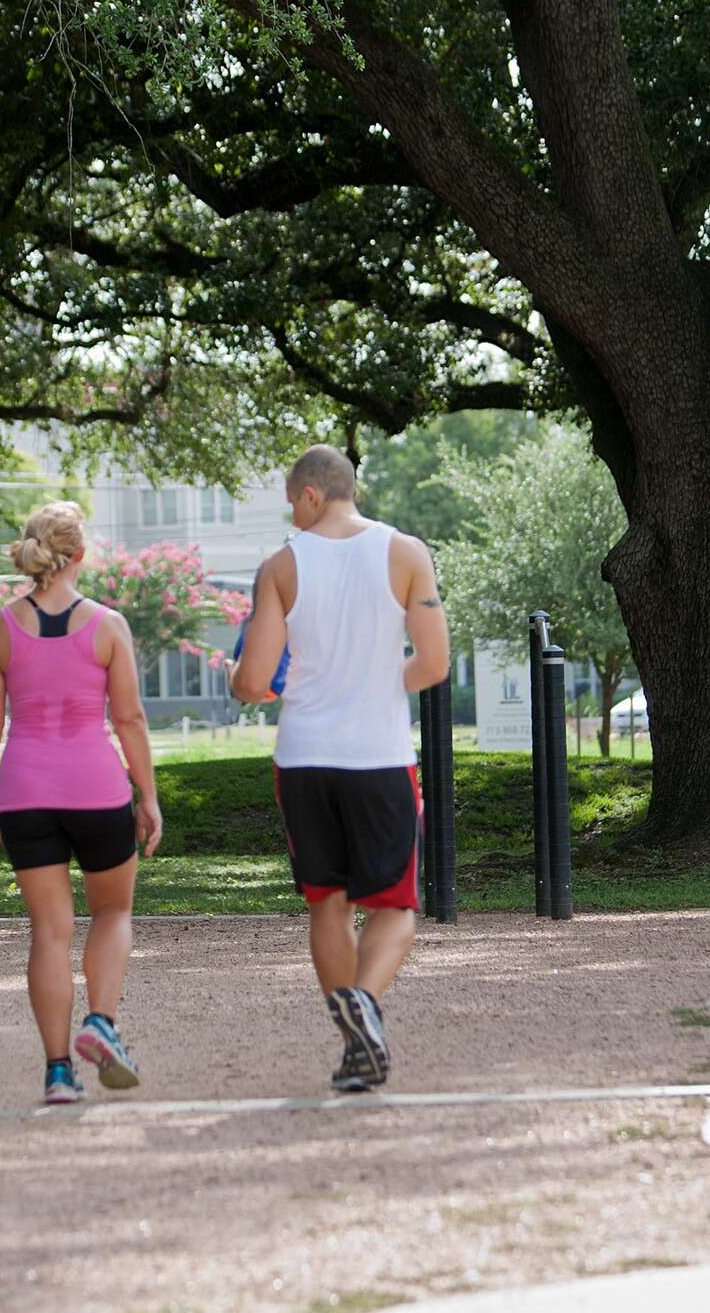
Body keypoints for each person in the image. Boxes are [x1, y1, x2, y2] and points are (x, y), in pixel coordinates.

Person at [230, 445, 449, 1092]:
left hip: (303, 757)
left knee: (326, 903)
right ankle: (367, 1002)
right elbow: (434, 664)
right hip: (377, 753)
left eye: (291, 504)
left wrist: (250, 682)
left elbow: (251, 682)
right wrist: (378, 683)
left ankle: (354, 1048)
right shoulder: (407, 553)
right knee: (396, 905)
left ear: (309, 496)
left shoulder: (280, 567)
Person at [0, 501, 163, 1104]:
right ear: (80, 554)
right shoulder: (108, 626)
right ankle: (100, 1023)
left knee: (49, 933)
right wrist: (149, 796)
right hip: (97, 789)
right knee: (112, 913)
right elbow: (128, 718)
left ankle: (58, 1073)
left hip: (26, 793)